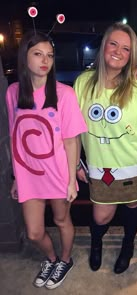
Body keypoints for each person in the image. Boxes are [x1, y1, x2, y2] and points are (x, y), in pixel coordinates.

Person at [74, 22, 137, 274]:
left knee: (133, 207)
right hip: (100, 168)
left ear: (132, 55)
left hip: (135, 167)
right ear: (103, 46)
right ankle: (97, 244)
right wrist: (74, 163)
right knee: (100, 216)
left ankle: (128, 246)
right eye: (113, 43)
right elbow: (71, 129)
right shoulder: (83, 83)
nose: (118, 51)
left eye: (126, 48)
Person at [6, 31, 87, 289]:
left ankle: (65, 260)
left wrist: (72, 180)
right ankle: (50, 258)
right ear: (24, 57)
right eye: (37, 54)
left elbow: (71, 140)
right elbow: (15, 136)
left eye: (49, 55)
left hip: (58, 172)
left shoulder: (64, 94)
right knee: (34, 232)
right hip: (29, 174)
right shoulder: (13, 92)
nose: (45, 60)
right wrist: (17, 177)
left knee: (63, 220)